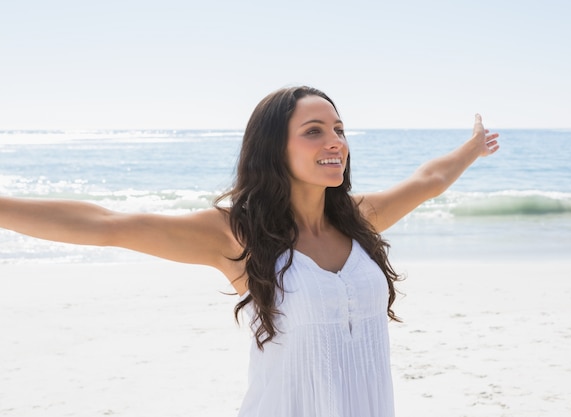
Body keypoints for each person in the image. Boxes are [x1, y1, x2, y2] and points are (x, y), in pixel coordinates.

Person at [0, 85, 499, 416]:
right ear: (273, 148)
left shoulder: (358, 220)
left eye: (339, 130)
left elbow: (428, 180)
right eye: (314, 131)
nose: (336, 143)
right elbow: (106, 225)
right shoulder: (236, 235)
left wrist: (471, 149)